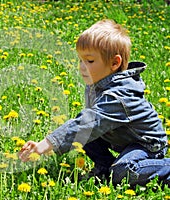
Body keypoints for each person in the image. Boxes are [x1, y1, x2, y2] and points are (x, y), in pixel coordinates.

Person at [18, 19, 170, 186]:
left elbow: (89, 122)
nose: (82, 67)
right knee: (83, 136)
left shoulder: (118, 95)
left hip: (146, 145)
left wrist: (47, 144)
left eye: (89, 61)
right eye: (80, 60)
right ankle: (104, 168)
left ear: (114, 63)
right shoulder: (96, 83)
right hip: (120, 137)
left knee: (124, 171)